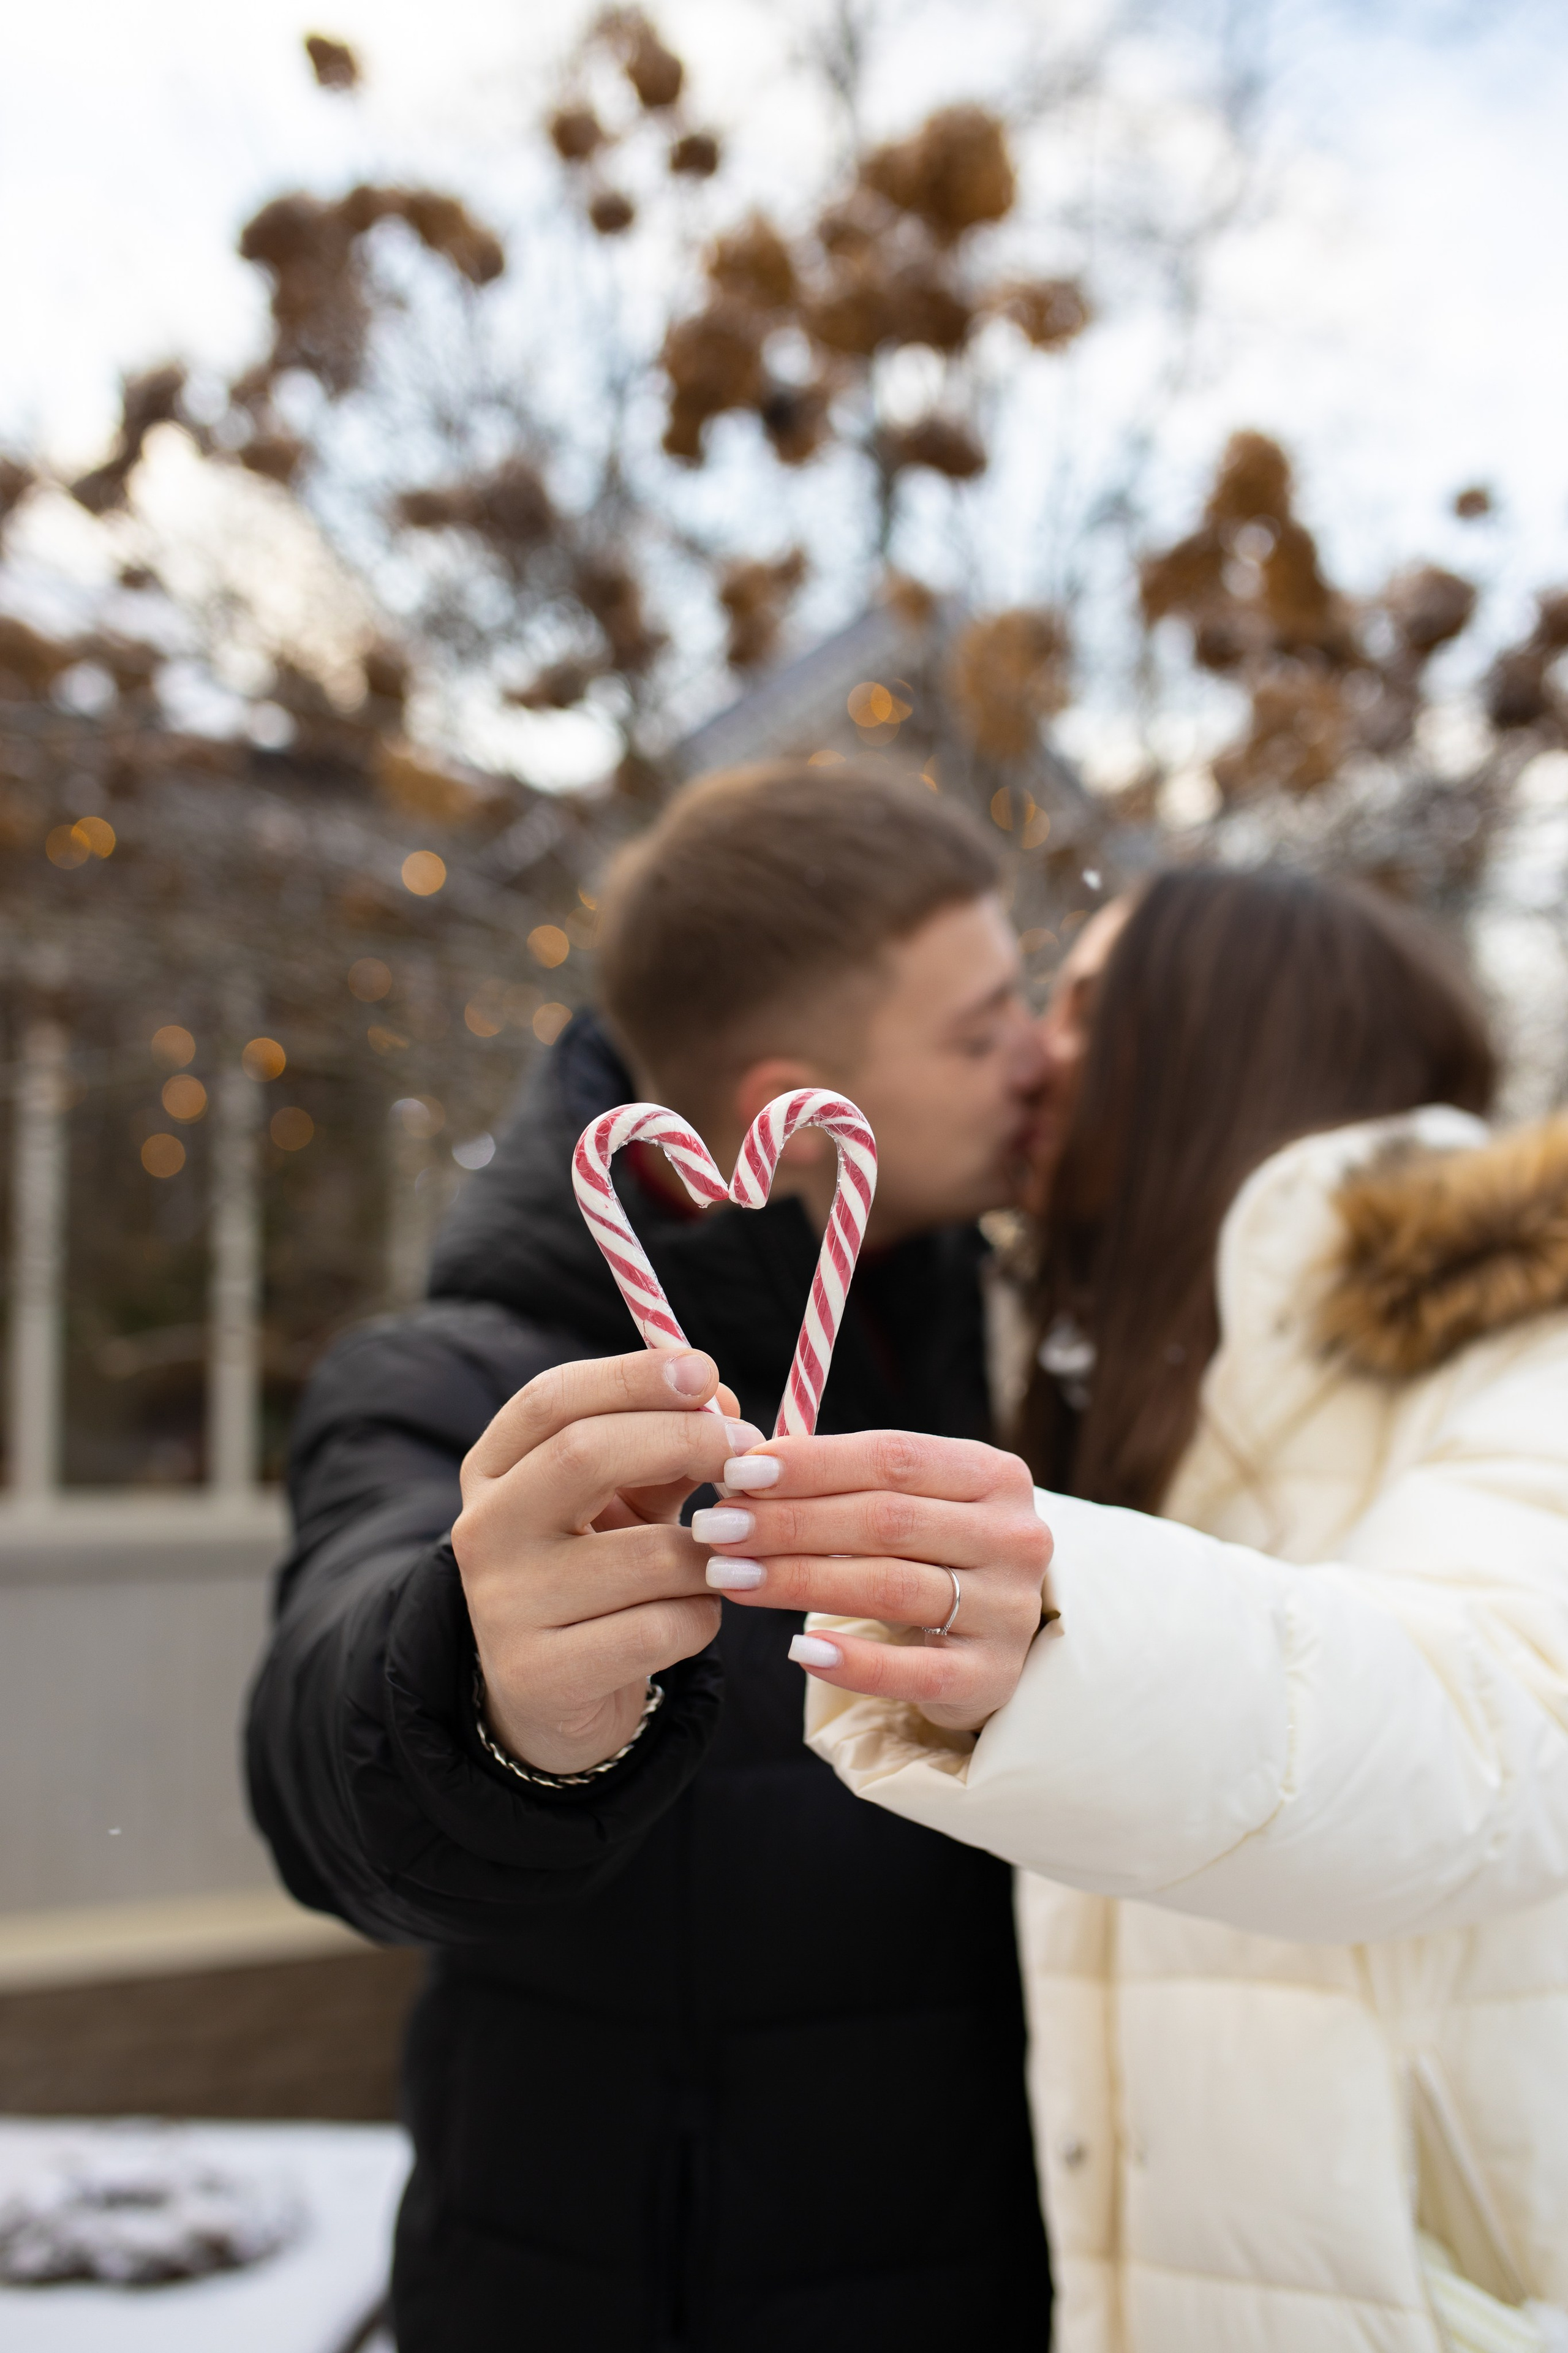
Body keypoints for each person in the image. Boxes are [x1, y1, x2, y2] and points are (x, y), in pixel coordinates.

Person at [245, 761, 1055, 2351]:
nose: (1039, 1063)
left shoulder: (1007, 1343)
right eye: (981, 1031)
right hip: (626, 2287)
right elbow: (318, 1748)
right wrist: (482, 1703)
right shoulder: (455, 1382)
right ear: (783, 1114)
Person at [708, 868, 1568, 2349]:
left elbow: (1498, 1722)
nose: (1033, 1050)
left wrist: (1057, 1628)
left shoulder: (1522, 1347)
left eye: (1091, 1008)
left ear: (1238, 1038)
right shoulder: (1128, 1368)